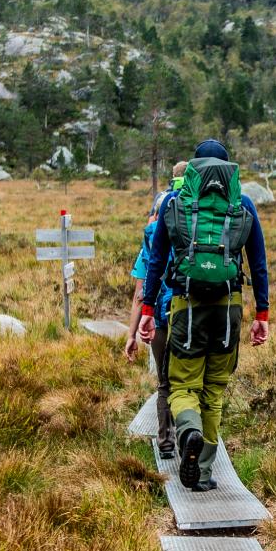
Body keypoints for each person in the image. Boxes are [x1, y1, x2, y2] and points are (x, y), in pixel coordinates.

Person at [136, 139, 270, 492]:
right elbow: (258, 263)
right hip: (228, 309)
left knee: (183, 385)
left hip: (186, 306)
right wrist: (262, 314)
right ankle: (205, 472)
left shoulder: (174, 202)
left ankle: (188, 432)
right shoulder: (243, 204)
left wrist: (147, 310)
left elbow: (156, 261)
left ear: (194, 167)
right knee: (214, 390)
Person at [126, 161, 189, 458]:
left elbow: (140, 294)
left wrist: (131, 335)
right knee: (188, 382)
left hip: (160, 319)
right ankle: (190, 438)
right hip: (190, 315)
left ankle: (165, 442)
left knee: (165, 382)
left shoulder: (150, 239)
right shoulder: (194, 225)